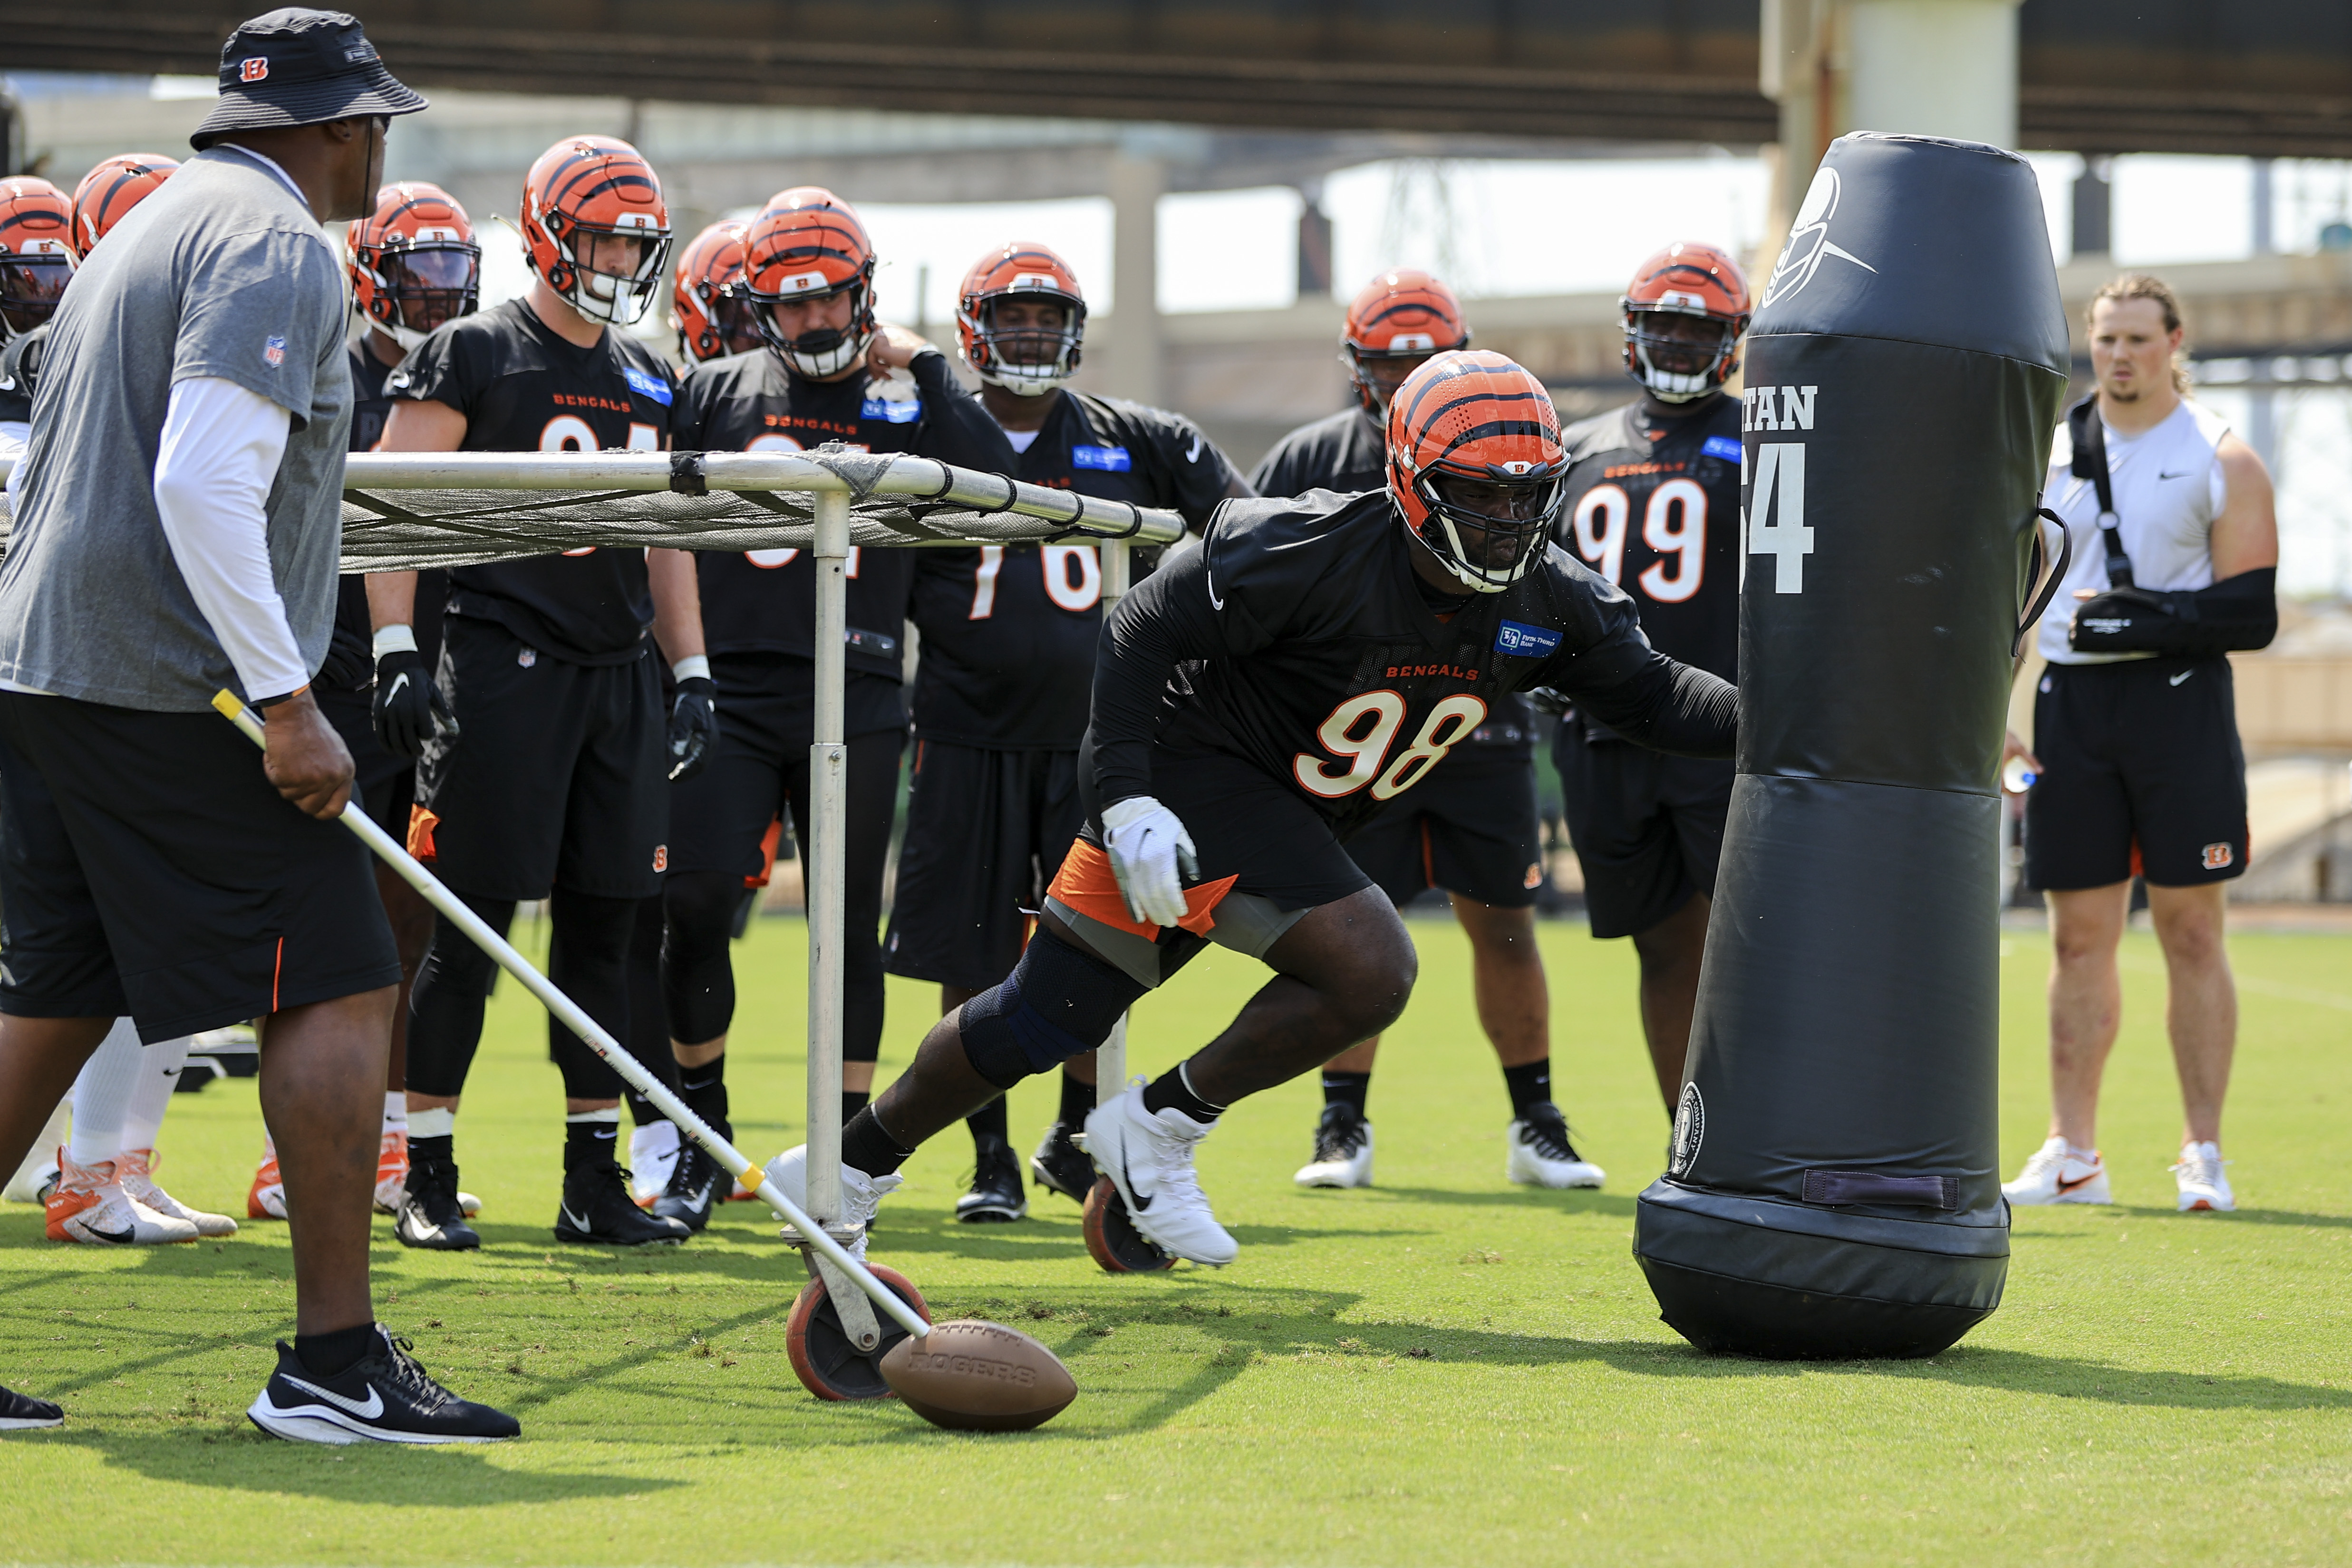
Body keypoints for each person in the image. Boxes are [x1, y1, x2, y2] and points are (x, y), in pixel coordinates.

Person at [767, 349, 1738, 1270]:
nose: (1503, 519)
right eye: (1477, 492)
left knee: (1043, 1015)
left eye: (1525, 493)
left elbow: (1653, 697)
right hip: (1194, 777)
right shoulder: (1310, 543)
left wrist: (1781, 723)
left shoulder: (1549, 599)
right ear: (1409, 479)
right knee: (1367, 964)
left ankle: (844, 1162)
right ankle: (1149, 1131)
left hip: (1285, 813)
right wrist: (1128, 796)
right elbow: (1142, 624)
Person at [0, 6, 514, 1442]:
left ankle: (335, 1361)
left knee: (50, 1001)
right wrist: (288, 702)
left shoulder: (144, 227)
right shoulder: (275, 241)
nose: (376, 149)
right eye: (372, 124)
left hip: (52, 669)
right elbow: (200, 482)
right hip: (176, 683)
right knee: (340, 976)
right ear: (335, 125)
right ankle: (332, 1365)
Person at [371, 133, 709, 1252]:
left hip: (618, 676)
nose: (621, 256)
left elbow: (662, 536)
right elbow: (393, 510)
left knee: (609, 930)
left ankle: (589, 1177)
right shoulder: (472, 351)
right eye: (605, 234)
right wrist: (393, 649)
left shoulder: (649, 370)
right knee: (465, 932)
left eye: (633, 238)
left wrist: (691, 667)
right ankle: (426, 1171)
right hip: (506, 660)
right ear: (549, 235)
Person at [658, 189, 1004, 1229]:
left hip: (853, 682)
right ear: (758, 304)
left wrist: (932, 367)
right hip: (731, 680)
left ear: (865, 293)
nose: (812, 321)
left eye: (831, 301)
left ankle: (846, 1158)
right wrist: (683, 667)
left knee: (848, 926)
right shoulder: (714, 388)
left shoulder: (904, 396)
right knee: (695, 904)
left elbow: (993, 473)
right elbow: (660, 528)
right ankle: (698, 1134)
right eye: (790, 304)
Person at [887, 240, 1251, 1224]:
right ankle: (990, 1154)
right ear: (976, 327)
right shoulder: (935, 431)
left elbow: (1241, 528)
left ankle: (1075, 1126)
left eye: (1050, 318)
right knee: (970, 953)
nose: (1033, 333)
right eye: (1013, 315)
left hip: (1101, 744)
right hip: (963, 729)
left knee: (1099, 941)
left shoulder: (1133, 436)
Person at [1252, 268, 1589, 1193]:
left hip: (1473, 722)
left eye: (1424, 361)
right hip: (1356, 731)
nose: (1404, 380)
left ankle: (1536, 1117)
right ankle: (1340, 1121)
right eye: (1387, 363)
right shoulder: (1311, 458)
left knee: (1508, 925)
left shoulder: (1500, 443)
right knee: (1356, 924)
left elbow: (1548, 572)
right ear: (1355, 367)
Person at [2001, 273, 2277, 1215]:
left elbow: (2250, 611)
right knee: (2076, 937)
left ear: (2173, 342)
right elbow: (2012, 597)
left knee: (2190, 929)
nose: (2119, 355)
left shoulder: (2219, 455)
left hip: (2177, 707)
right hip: (2071, 711)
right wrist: (1996, 712)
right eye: (2104, 338)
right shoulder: (2046, 457)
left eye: (2136, 338)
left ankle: (2201, 1149)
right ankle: (2070, 1150)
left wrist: (2145, 618)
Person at [3, 164, 233, 1245]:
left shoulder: (160, 358)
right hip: (50, 674)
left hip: (104, 677)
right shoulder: (47, 364)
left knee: (125, 938)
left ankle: (104, 1164)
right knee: (64, 947)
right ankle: (81, 1166)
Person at [251, 179, 482, 1224]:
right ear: (369, 275)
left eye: (452, 275)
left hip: (430, 671)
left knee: (409, 920)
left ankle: (388, 1139)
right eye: (418, 275)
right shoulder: (324, 366)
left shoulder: (476, 375)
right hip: (328, 667)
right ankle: (280, 1152)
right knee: (311, 924)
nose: (436, 298)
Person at [1553, 242, 1750, 1115]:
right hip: (1605, 731)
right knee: (1664, 947)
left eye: (1696, 327)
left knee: (1750, 948)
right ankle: (1691, 1139)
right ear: (1633, 333)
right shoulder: (1576, 448)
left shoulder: (1768, 439)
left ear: (1731, 338)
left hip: (1722, 727)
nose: (1676, 341)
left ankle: (1764, 1136)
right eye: (1663, 324)